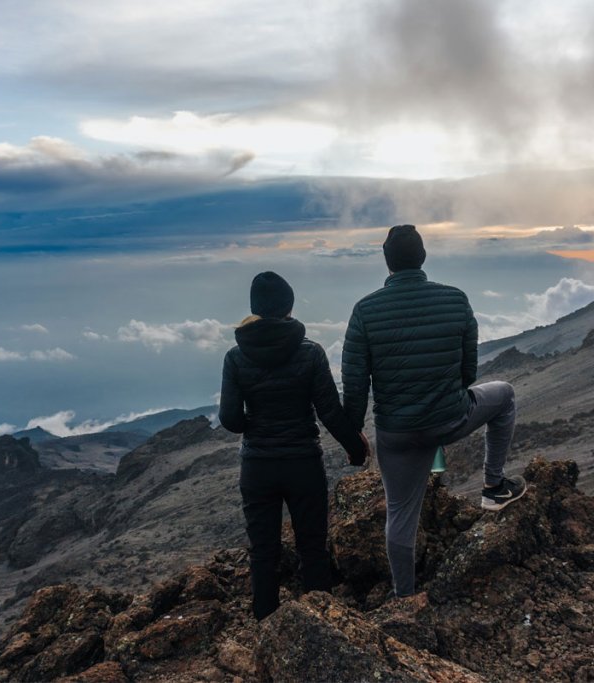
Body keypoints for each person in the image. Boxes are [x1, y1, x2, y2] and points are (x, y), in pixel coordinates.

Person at [341, 225, 526, 599]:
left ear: (387, 260)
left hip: (397, 432)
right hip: (449, 418)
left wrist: (353, 438)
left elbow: (356, 385)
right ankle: (493, 486)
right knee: (503, 395)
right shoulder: (455, 300)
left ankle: (405, 598)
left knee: (400, 514)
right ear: (422, 257)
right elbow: (468, 373)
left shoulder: (364, 311)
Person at [219, 271, 369, 620]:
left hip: (258, 465)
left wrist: (251, 425)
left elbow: (229, 418)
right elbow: (330, 411)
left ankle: (266, 626)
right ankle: (322, 620)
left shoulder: (235, 356)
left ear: (255, 308)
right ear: (289, 306)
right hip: (303, 463)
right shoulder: (311, 353)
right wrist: (356, 448)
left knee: (263, 550)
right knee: (312, 546)